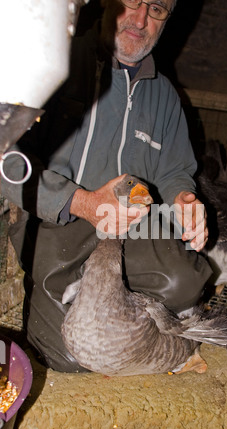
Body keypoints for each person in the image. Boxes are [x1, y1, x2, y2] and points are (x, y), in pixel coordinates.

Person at [0, 0, 212, 372]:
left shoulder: (164, 96)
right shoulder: (52, 64)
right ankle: (90, 299)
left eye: (158, 9)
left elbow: (175, 171)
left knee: (186, 280)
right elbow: (7, 162)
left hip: (128, 230)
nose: (141, 18)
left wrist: (182, 200)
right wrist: (80, 201)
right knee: (68, 357)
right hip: (58, 224)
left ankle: (117, 308)